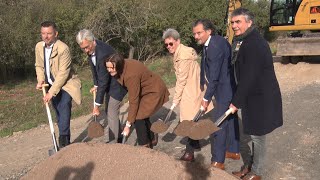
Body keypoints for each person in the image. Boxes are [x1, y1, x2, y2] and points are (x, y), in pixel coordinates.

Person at [229, 8, 283, 180]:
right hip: (252, 95)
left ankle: (257, 172)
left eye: (238, 22)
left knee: (258, 136)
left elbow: (249, 77)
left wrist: (236, 102)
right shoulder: (244, 40)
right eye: (232, 22)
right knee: (252, 133)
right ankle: (250, 166)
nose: (234, 26)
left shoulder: (254, 43)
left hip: (261, 96)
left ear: (249, 22)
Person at [192, 19, 240, 169]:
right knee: (230, 118)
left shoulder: (214, 46)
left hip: (225, 88)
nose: (196, 36)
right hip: (227, 85)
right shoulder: (215, 41)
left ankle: (218, 161)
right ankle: (233, 150)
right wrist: (202, 83)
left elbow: (214, 77)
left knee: (219, 122)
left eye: (199, 33)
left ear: (208, 31)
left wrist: (206, 99)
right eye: (194, 33)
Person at [162, 28, 213, 161]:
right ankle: (195, 142)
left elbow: (181, 80)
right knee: (193, 118)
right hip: (194, 88)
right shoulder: (182, 52)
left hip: (191, 91)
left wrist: (175, 100)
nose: (168, 46)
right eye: (166, 44)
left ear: (178, 41)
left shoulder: (183, 56)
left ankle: (189, 154)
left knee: (188, 121)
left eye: (171, 43)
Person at [104, 53, 170, 148]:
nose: (109, 70)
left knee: (138, 117)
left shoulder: (130, 75)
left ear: (118, 65)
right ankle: (152, 139)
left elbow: (133, 101)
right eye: (108, 67)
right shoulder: (123, 65)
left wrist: (128, 125)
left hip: (153, 91)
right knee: (143, 115)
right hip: (144, 91)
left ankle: (144, 147)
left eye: (111, 68)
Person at [35, 21, 81, 148]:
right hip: (50, 84)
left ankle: (64, 141)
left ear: (56, 33)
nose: (46, 36)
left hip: (66, 84)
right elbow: (39, 65)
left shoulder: (63, 49)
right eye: (43, 33)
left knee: (64, 107)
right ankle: (64, 138)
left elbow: (63, 74)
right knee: (58, 113)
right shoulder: (39, 46)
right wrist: (40, 80)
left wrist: (51, 92)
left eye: (49, 33)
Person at [76, 29, 127, 143]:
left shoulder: (103, 53)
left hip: (118, 82)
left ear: (92, 40)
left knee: (112, 111)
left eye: (87, 47)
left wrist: (97, 105)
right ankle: (117, 136)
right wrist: (96, 84)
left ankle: (115, 142)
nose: (86, 50)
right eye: (83, 48)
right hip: (109, 83)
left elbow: (104, 81)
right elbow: (94, 70)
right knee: (109, 110)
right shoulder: (91, 50)